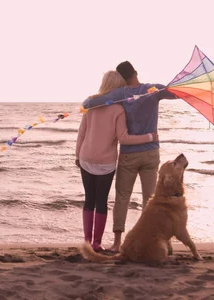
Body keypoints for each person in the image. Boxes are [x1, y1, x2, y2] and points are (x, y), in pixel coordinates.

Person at [82, 61, 178, 252]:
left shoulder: (120, 94)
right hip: (151, 152)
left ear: (122, 79)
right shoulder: (153, 89)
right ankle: (155, 240)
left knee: (122, 198)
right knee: (151, 199)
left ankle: (117, 243)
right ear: (136, 72)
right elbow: (175, 94)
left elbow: (89, 103)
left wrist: (90, 102)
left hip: (129, 155)